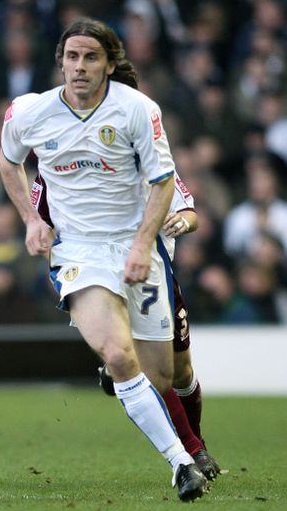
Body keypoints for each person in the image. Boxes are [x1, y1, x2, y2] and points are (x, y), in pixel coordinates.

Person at [0, 18, 208, 501]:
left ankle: (156, 415)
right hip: (79, 251)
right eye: (72, 57)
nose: (79, 67)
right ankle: (182, 463)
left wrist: (142, 245)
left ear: (110, 65)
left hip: (135, 246)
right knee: (117, 354)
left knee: (162, 377)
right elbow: (9, 160)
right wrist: (30, 220)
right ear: (61, 62)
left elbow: (163, 183)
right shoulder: (31, 112)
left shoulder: (137, 110)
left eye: (91, 57)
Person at [32, 171, 222, 481]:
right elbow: (41, 220)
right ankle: (192, 451)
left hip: (153, 275)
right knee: (143, 368)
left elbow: (190, 213)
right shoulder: (58, 162)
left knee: (179, 372)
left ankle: (195, 441)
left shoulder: (149, 159)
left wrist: (182, 221)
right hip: (98, 271)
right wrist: (61, 267)